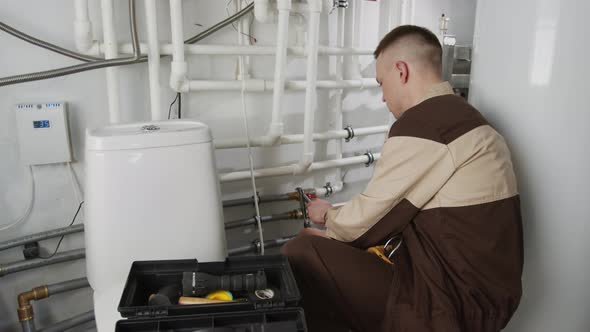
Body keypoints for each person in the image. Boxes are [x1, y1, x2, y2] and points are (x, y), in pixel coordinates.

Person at [281, 25, 523, 332]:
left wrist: (326, 216)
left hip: (451, 303)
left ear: (401, 71)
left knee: (302, 252)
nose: (382, 97)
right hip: (485, 296)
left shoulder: (427, 123)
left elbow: (363, 226)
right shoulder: (469, 119)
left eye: (382, 83)